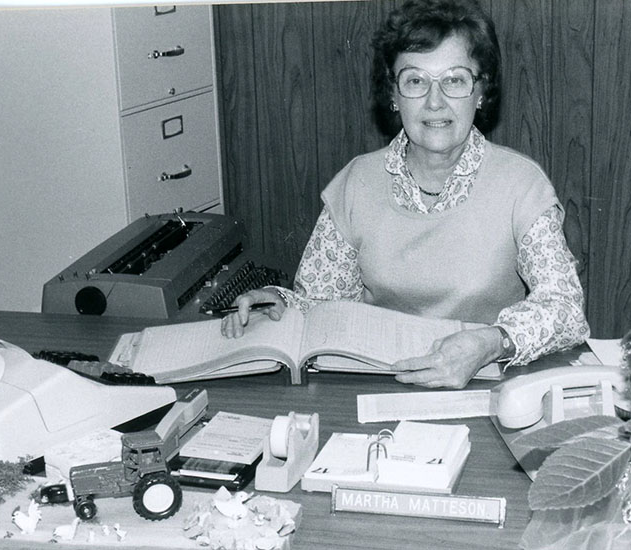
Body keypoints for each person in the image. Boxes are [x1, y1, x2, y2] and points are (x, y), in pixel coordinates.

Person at [222, 0, 590, 389]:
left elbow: (565, 307)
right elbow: (322, 305)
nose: (435, 102)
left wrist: (490, 342)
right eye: (415, 81)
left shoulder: (522, 184)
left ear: (481, 92)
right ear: (394, 95)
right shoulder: (356, 182)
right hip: (377, 382)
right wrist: (281, 304)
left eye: (455, 79)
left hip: (485, 383)